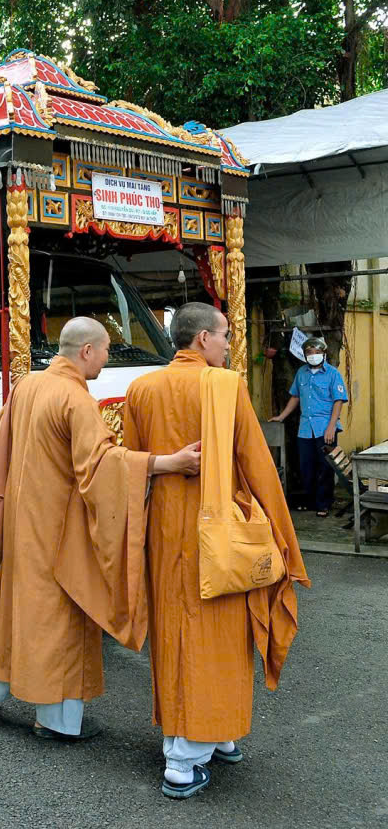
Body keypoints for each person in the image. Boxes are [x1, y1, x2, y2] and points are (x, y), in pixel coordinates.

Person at [0, 317, 200, 740]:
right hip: (57, 529)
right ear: (87, 351)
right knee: (62, 616)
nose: (108, 359)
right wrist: (166, 463)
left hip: (21, 520)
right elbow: (102, 464)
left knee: (10, 606)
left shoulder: (29, 385)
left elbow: (1, 432)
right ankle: (55, 721)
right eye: (107, 349)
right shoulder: (75, 399)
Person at [124, 302, 309, 799]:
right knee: (216, 640)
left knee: (177, 636)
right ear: (202, 339)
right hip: (221, 538)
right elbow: (257, 467)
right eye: (225, 335)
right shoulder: (225, 387)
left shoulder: (142, 389)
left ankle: (218, 732)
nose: (229, 344)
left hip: (166, 533)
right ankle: (182, 762)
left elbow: (132, 464)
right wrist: (285, 540)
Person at [270, 336, 349, 517]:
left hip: (325, 427)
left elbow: (338, 401)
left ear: (323, 354)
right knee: (306, 466)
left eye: (317, 352)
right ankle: (312, 501)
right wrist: (281, 417)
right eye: (309, 352)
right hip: (305, 428)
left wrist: (331, 427)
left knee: (325, 466)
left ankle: (324, 504)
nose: (313, 355)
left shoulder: (332, 374)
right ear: (305, 355)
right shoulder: (301, 373)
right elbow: (295, 397)